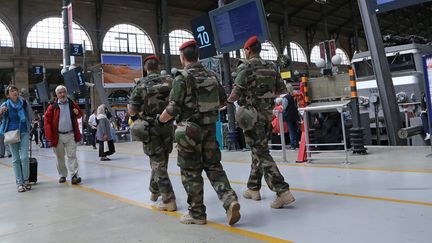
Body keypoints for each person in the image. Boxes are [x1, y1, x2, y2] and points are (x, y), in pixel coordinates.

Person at [158, 40, 240, 225]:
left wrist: (160, 119)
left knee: (190, 172)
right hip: (210, 131)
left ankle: (197, 213)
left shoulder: (182, 77)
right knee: (214, 168)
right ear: (198, 56)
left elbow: (172, 108)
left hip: (189, 133)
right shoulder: (211, 75)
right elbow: (222, 101)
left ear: (182, 57)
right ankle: (230, 201)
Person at [227, 36, 295, 209]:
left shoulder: (246, 67)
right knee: (258, 150)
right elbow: (281, 90)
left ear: (248, 50)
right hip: (267, 116)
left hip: (251, 117)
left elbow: (235, 93)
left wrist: (226, 102)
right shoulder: (272, 66)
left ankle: (282, 191)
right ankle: (253, 188)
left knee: (262, 153)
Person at [128, 55, 176, 211]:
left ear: (145, 68)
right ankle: (155, 191)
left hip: (150, 128)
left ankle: (168, 200)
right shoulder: (170, 81)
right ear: (158, 66)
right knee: (162, 160)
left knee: (157, 163)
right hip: (168, 126)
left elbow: (131, 110)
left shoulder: (141, 85)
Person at [44, 85, 83, 184]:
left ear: (66, 93)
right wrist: (49, 135)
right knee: (60, 157)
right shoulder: (52, 106)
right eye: (60, 93)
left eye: (63, 92)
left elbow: (79, 115)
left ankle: (74, 175)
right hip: (58, 136)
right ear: (57, 95)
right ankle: (62, 175)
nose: (62, 94)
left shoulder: (72, 103)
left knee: (72, 155)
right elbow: (47, 120)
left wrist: (77, 112)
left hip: (70, 134)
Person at [0, 85, 32, 192]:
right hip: (11, 133)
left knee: (24, 157)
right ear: (8, 95)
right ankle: (19, 182)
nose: (14, 92)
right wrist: (1, 112)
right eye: (11, 91)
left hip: (23, 131)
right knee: (16, 159)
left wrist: (30, 126)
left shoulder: (23, 103)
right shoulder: (5, 105)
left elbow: (29, 115)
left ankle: (26, 180)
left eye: (15, 90)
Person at [282, 83, 300, 149]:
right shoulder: (295, 95)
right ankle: (297, 143)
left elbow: (284, 107)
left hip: (288, 116)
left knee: (291, 131)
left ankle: (293, 145)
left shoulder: (285, 98)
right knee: (295, 130)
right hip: (295, 115)